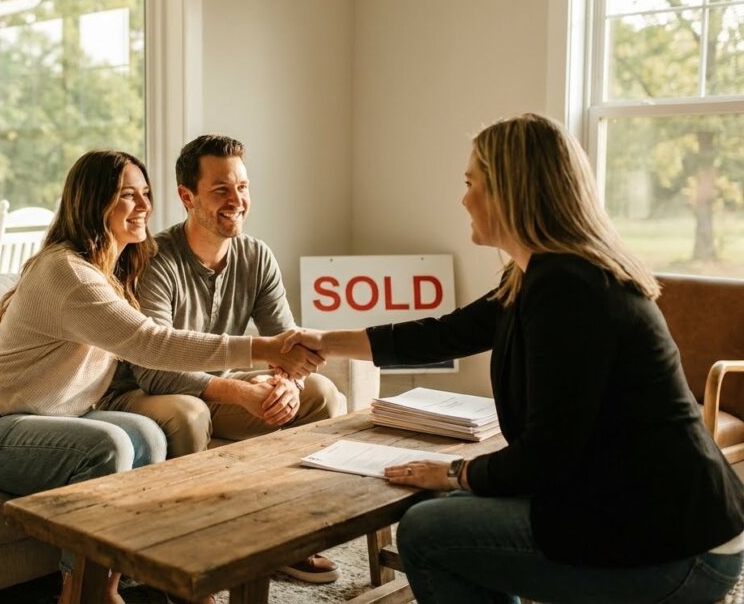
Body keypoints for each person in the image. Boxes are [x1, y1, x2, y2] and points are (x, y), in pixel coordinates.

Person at [281, 114, 744, 603]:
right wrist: (325, 341)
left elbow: (548, 452)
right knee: (460, 506)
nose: (463, 199)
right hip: (657, 515)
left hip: (677, 549)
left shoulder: (568, 287)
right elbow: (444, 334)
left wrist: (455, 471)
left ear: (510, 189)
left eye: (471, 183)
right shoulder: (540, 274)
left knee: (427, 528)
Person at [0, 150, 322, 604]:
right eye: (128, 196)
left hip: (59, 417)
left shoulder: (113, 269)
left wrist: (284, 374)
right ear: (94, 203)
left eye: (145, 194)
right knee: (110, 446)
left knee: (148, 435)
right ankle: (79, 590)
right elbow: (152, 343)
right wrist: (261, 349)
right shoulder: (68, 273)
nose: (144, 205)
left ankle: (113, 583)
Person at [99, 135, 343, 588]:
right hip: (145, 393)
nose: (238, 201)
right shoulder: (154, 259)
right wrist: (240, 392)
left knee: (322, 397)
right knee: (188, 413)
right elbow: (153, 366)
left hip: (220, 384)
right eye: (221, 190)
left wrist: (285, 385)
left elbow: (284, 345)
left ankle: (289, 539)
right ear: (186, 197)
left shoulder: (256, 256)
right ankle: (186, 567)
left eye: (243, 187)